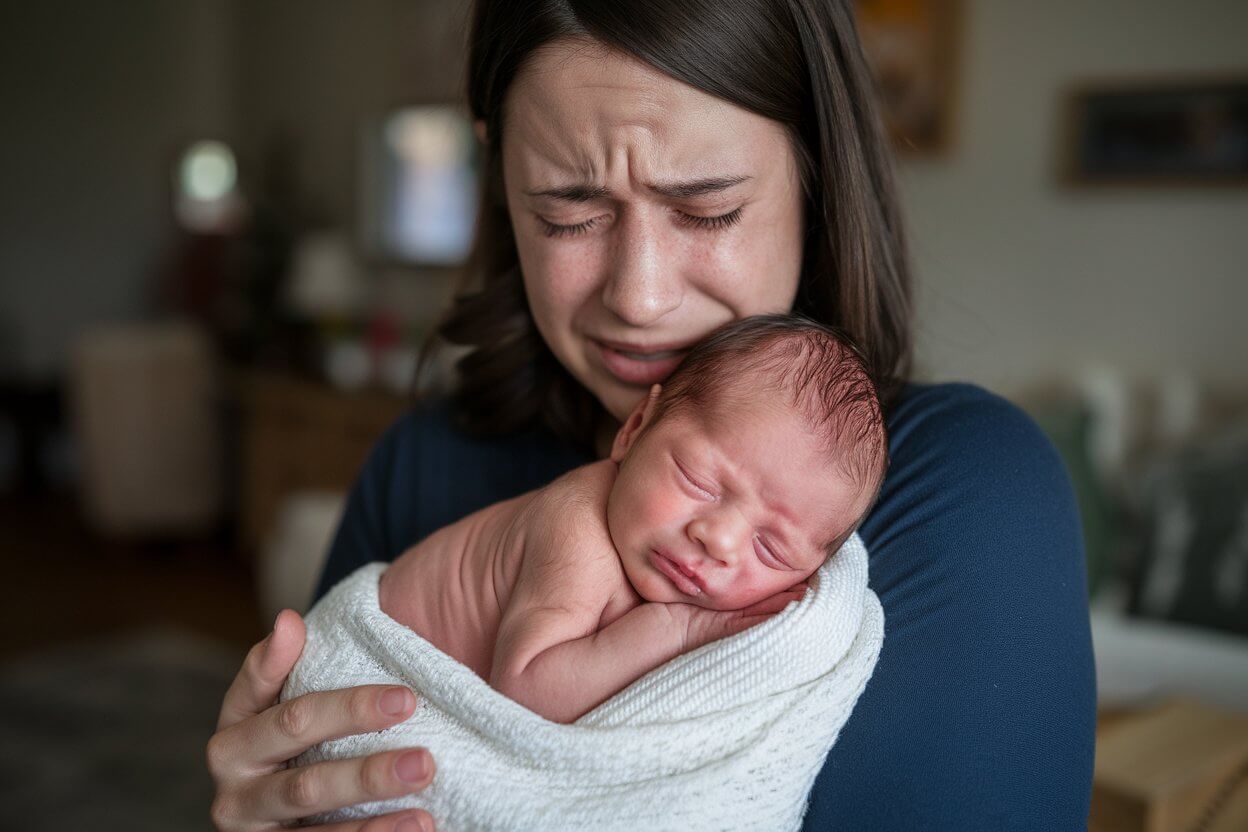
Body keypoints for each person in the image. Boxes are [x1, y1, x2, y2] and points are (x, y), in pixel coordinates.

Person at [207, 2, 1096, 830]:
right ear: (496, 173)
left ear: (815, 174)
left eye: (707, 210)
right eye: (569, 213)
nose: (639, 296)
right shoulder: (424, 461)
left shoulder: (967, 494)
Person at [279, 316, 887, 828]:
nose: (720, 540)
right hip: (364, 675)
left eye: (772, 550)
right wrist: (679, 631)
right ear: (635, 431)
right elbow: (528, 688)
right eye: (699, 481)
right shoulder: (579, 528)